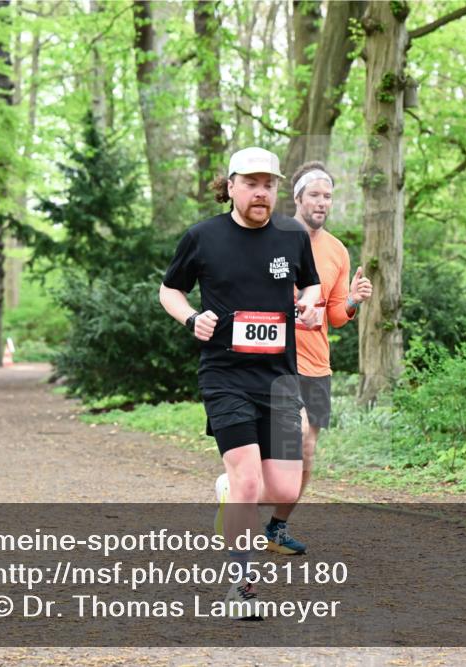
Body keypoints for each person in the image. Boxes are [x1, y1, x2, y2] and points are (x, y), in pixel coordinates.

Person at [159, 147, 321, 620]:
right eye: (251, 183)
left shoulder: (292, 236)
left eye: (269, 185)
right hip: (225, 375)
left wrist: (309, 304)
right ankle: (241, 586)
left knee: (285, 490)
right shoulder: (202, 237)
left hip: (279, 380)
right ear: (230, 186)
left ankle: (231, 491)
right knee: (249, 481)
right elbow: (169, 289)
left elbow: (311, 285)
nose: (261, 192)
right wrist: (192, 318)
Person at [264, 161, 373, 555]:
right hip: (274, 359)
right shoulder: (271, 237)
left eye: (327, 196)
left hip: (316, 364)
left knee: (307, 451)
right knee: (287, 442)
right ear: (298, 198)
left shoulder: (337, 250)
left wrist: (353, 301)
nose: (322, 202)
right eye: (314, 194)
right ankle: (240, 496)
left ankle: (276, 527)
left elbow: (337, 317)